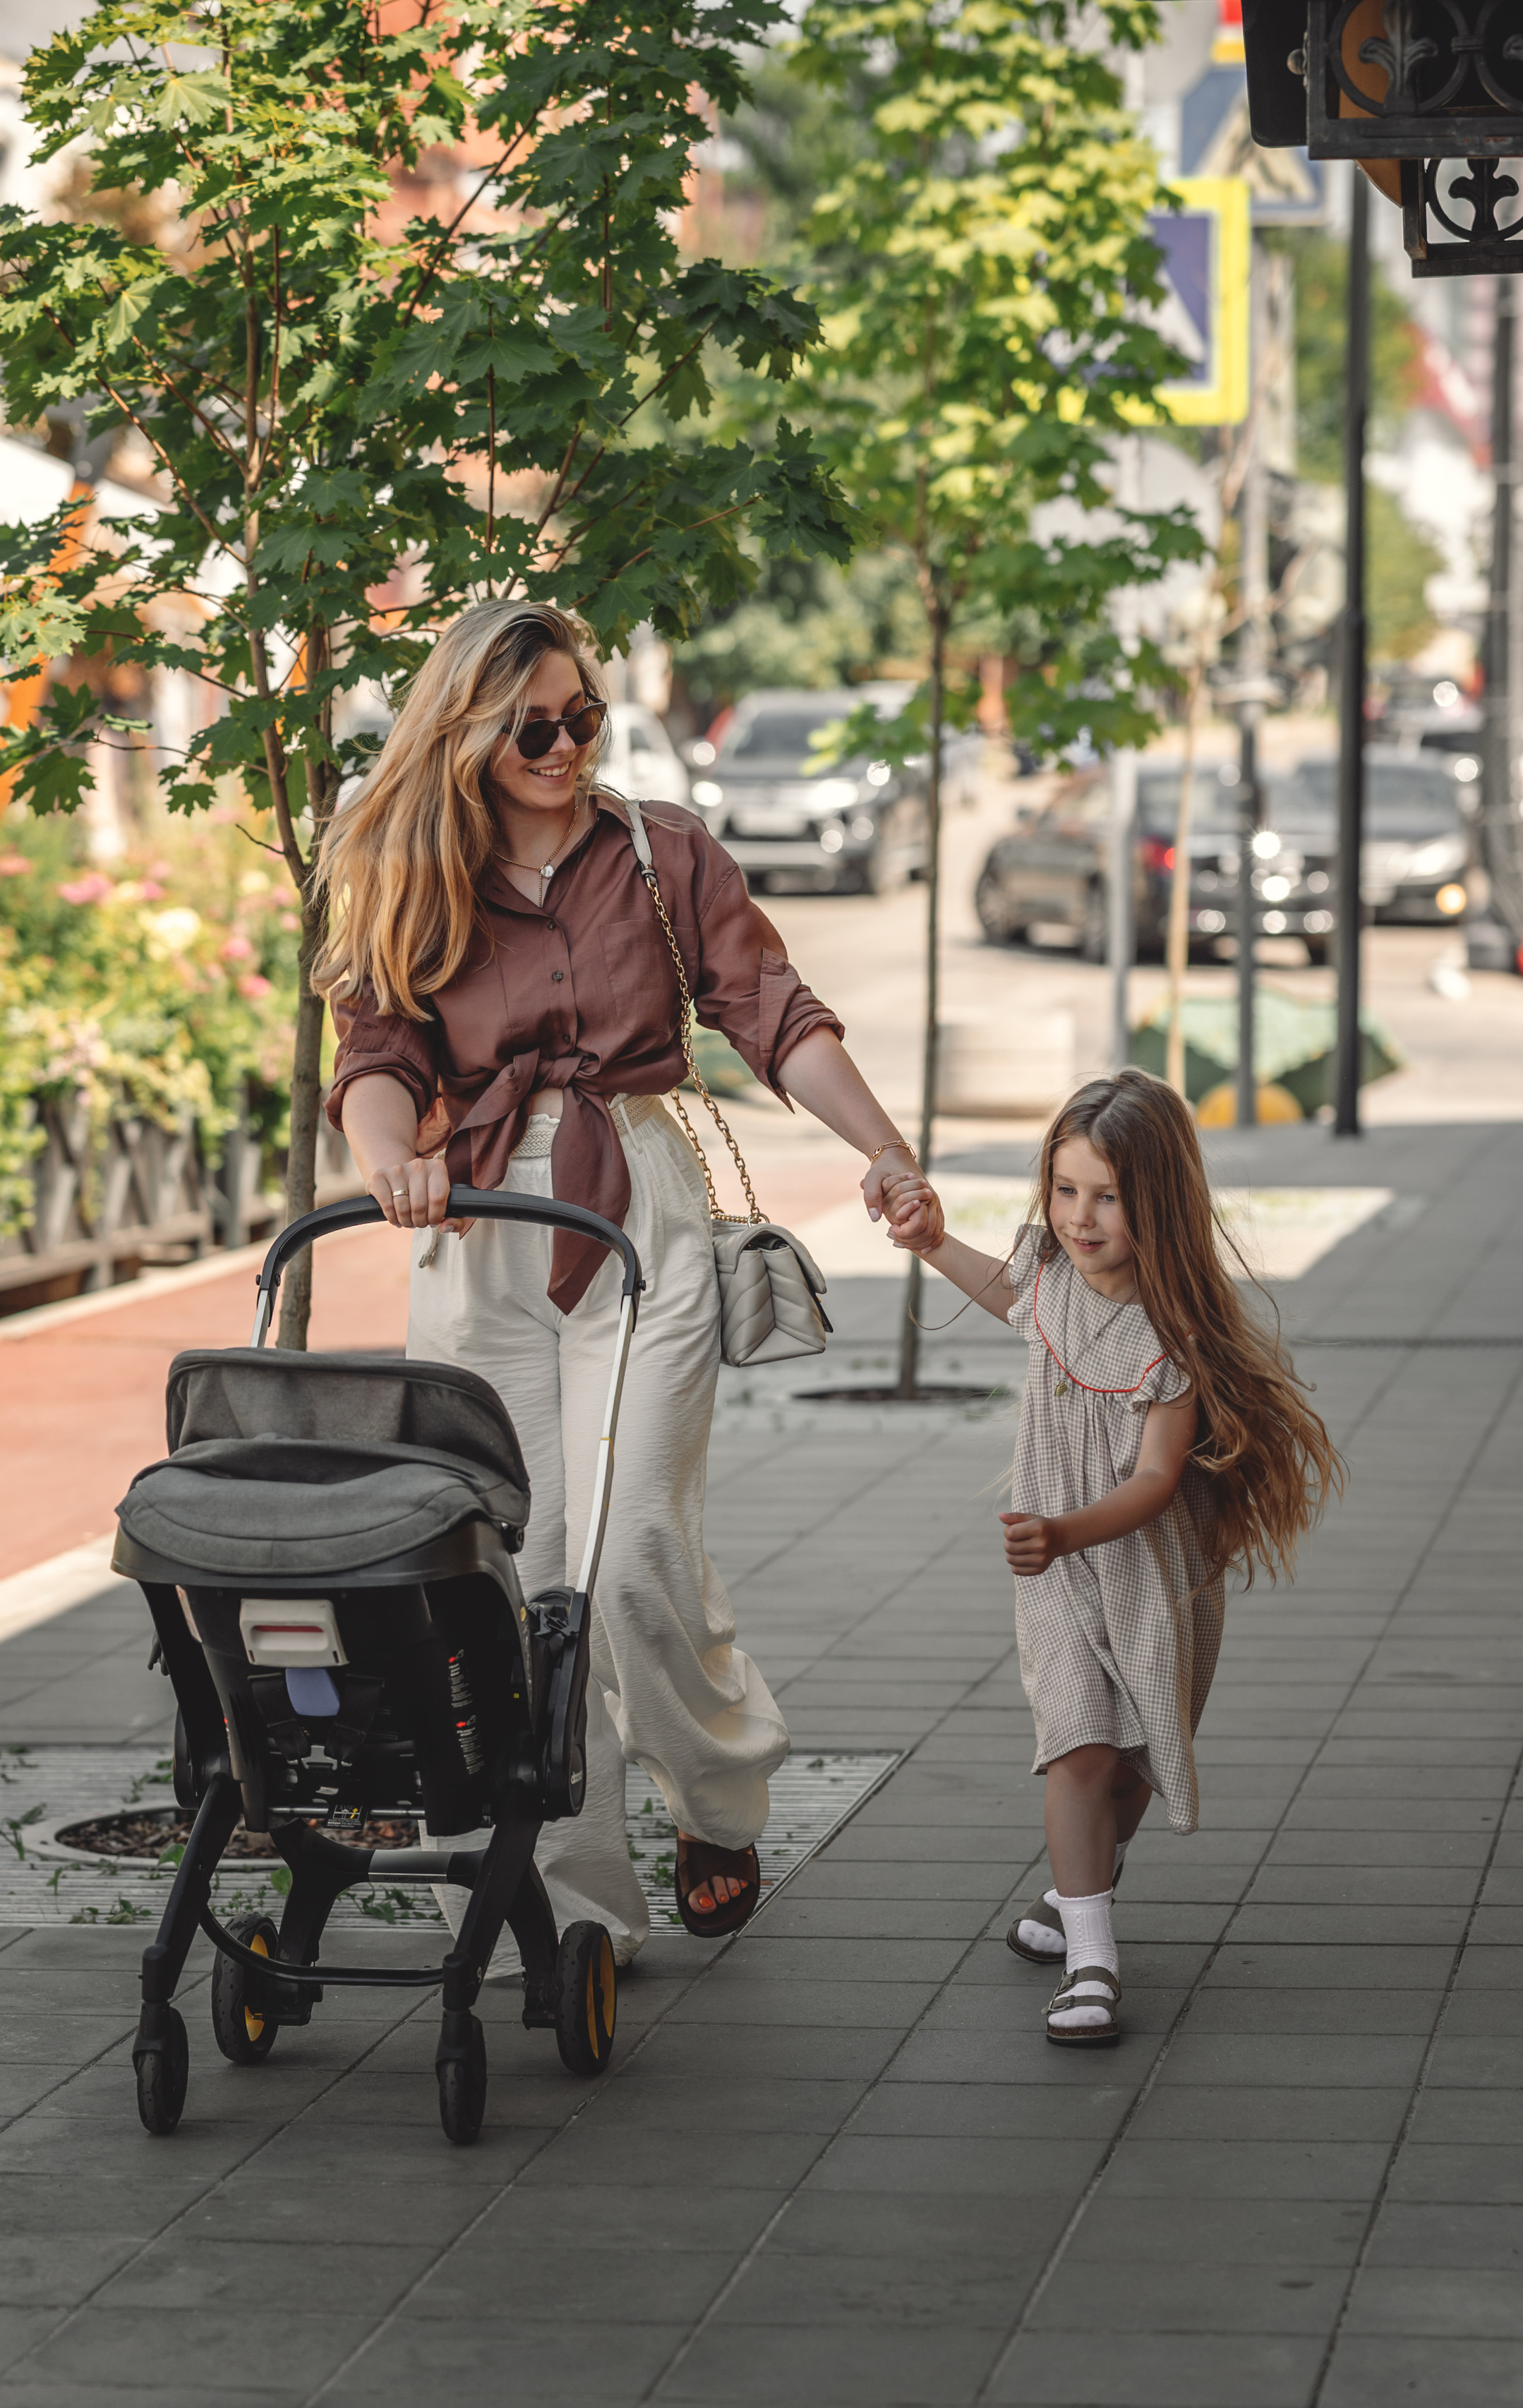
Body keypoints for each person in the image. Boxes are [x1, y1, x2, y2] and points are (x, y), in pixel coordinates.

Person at [313, 601, 941, 1965]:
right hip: (477, 1214)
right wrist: (388, 1162)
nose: (564, 748)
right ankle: (573, 1905)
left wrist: (887, 1151)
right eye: (531, 728)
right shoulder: (415, 869)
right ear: (469, 734)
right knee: (518, 1572)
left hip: (640, 1201)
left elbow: (772, 1011)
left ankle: (716, 1797)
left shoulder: (664, 849)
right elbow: (374, 1054)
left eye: (581, 718)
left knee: (639, 1551)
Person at [892, 1068, 1341, 2045]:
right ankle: (1092, 1964)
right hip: (1057, 1571)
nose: (1079, 1217)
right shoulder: (1049, 1275)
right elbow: (1007, 1292)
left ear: (1159, 1203)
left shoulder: (1171, 1338)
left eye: (1107, 1198)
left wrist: (1066, 1529)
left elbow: (1154, 1483)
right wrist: (930, 1243)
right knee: (1080, 1744)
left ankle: (1077, 1887)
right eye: (1065, 1190)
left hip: (1148, 1572)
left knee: (1131, 1761)